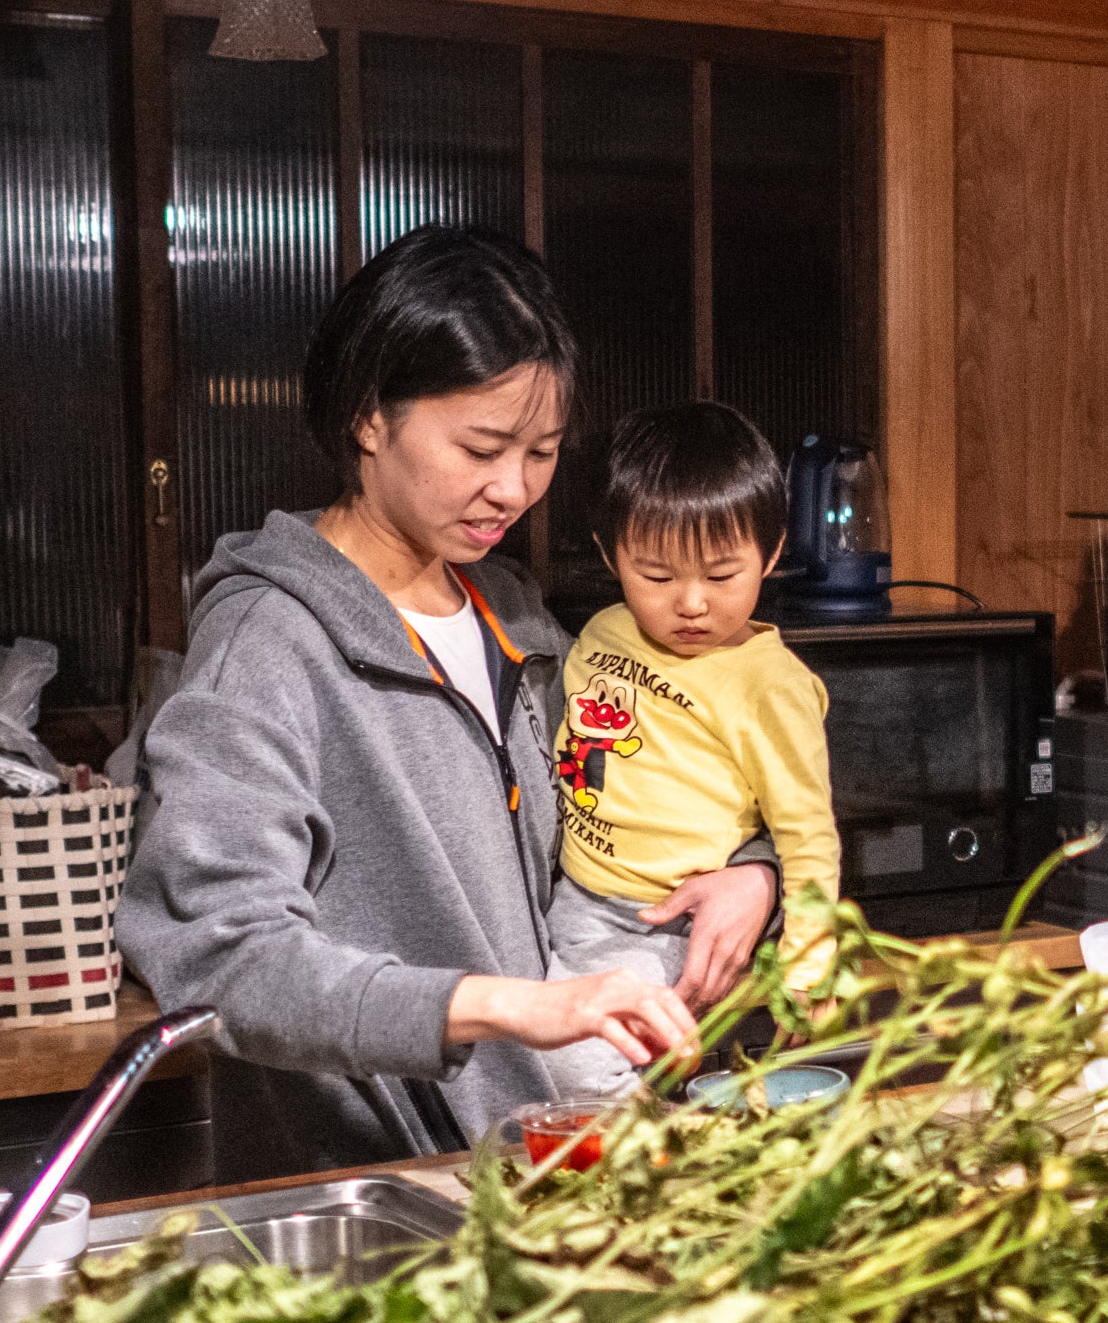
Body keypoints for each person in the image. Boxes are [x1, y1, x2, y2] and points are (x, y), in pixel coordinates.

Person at [119, 228, 732, 1181]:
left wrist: (751, 870)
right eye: (481, 447)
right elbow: (221, 960)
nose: (513, 489)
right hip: (385, 1196)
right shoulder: (270, 644)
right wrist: (494, 1004)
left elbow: (659, 773)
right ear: (371, 417)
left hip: (553, 1173)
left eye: (542, 452)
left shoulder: (513, 616)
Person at [539, 402, 842, 1087]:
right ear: (607, 554)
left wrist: (808, 962)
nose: (692, 602)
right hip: (573, 899)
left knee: (581, 1072)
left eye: (721, 574)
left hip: (662, 925)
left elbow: (809, 835)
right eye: (656, 575)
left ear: (771, 554)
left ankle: (627, 1185)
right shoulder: (603, 631)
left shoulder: (770, 686)